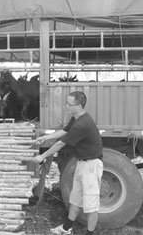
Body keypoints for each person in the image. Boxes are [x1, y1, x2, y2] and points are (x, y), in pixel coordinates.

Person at [33, 91, 103, 235]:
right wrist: (46, 138)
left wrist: (43, 156)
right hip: (82, 163)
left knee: (91, 205)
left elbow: (60, 144)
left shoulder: (82, 124)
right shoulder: (76, 118)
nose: (66, 107)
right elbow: (64, 132)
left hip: (91, 166)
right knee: (75, 199)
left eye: (69, 104)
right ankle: (66, 228)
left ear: (79, 106)